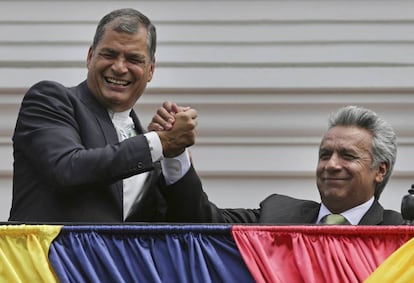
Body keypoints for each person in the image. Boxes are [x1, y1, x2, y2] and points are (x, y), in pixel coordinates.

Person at [9, 8, 200, 222]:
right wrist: (160, 142)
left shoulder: (149, 150)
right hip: (49, 256)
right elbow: (67, 169)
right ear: (90, 57)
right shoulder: (50, 99)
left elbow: (192, 223)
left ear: (151, 71)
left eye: (133, 59)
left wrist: (174, 155)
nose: (119, 67)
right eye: (109, 54)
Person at [152, 104, 404, 225]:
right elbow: (202, 222)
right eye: (325, 155)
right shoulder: (277, 215)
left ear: (380, 170)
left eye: (347, 156)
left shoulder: (401, 235)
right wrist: (175, 154)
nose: (331, 165)